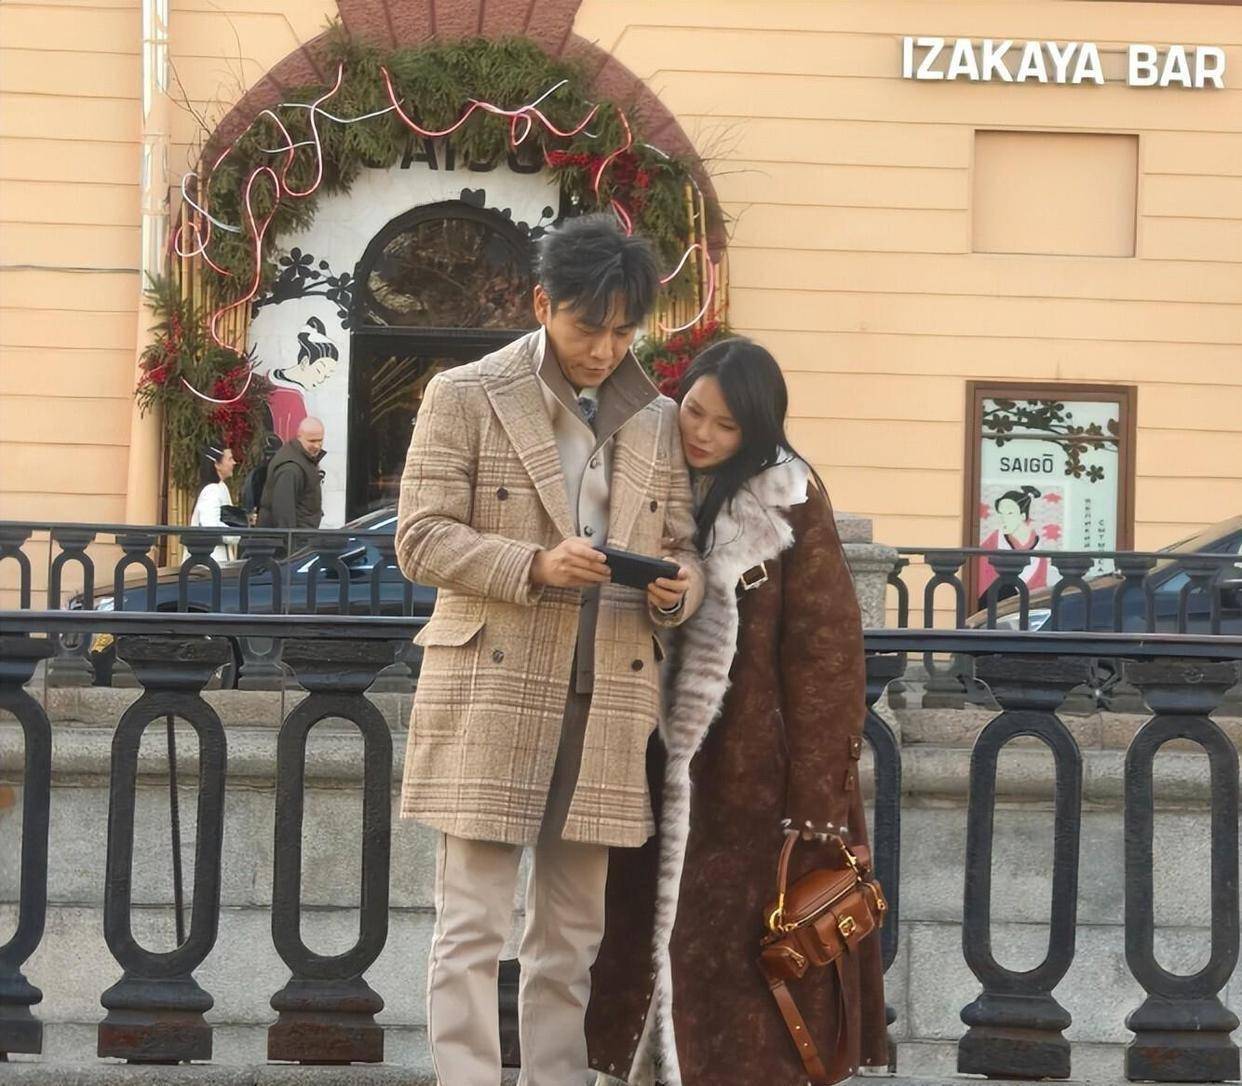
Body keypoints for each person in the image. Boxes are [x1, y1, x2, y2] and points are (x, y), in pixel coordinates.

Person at [395, 213, 704, 1086]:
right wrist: (534, 564)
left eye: (624, 331)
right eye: (587, 326)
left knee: (571, 936)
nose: (605, 350)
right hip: (495, 684)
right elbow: (418, 539)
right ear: (542, 304)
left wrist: (678, 589)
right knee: (472, 925)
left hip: (610, 692)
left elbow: (685, 548)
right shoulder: (465, 393)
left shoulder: (657, 419)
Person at [587, 338, 888, 1085]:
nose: (703, 434)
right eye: (694, 411)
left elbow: (826, 649)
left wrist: (817, 801)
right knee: (638, 949)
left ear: (756, 428)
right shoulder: (647, 468)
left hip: (757, 772)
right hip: (647, 747)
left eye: (726, 425)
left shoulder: (790, 495)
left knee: (744, 973)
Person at [977, 484, 1050, 606]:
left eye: (1010, 513)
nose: (1003, 519)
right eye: (1001, 513)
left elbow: (1040, 586)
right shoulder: (995, 539)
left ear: (1023, 515)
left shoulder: (1038, 546)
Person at [257, 416, 326, 532]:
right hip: (294, 538)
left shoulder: (301, 459)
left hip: (300, 535)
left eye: (320, 440)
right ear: (299, 437)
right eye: (312, 441)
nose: (317, 446)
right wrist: (291, 540)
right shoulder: (291, 468)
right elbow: (283, 514)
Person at [183, 443, 239, 564]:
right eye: (229, 459)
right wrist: (235, 533)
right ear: (217, 464)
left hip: (217, 559)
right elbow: (210, 526)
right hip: (211, 561)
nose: (234, 463)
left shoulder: (221, 487)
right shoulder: (211, 491)